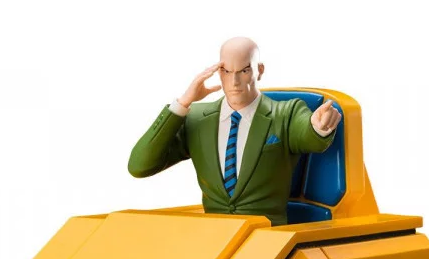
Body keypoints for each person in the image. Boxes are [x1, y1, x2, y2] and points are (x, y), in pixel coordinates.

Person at [128, 37, 342, 226]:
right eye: (226, 71)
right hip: (215, 238)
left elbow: (308, 136)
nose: (234, 81)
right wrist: (182, 103)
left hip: (268, 239)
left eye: (244, 70)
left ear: (259, 70)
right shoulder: (197, 119)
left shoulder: (286, 113)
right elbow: (140, 166)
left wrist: (318, 126)